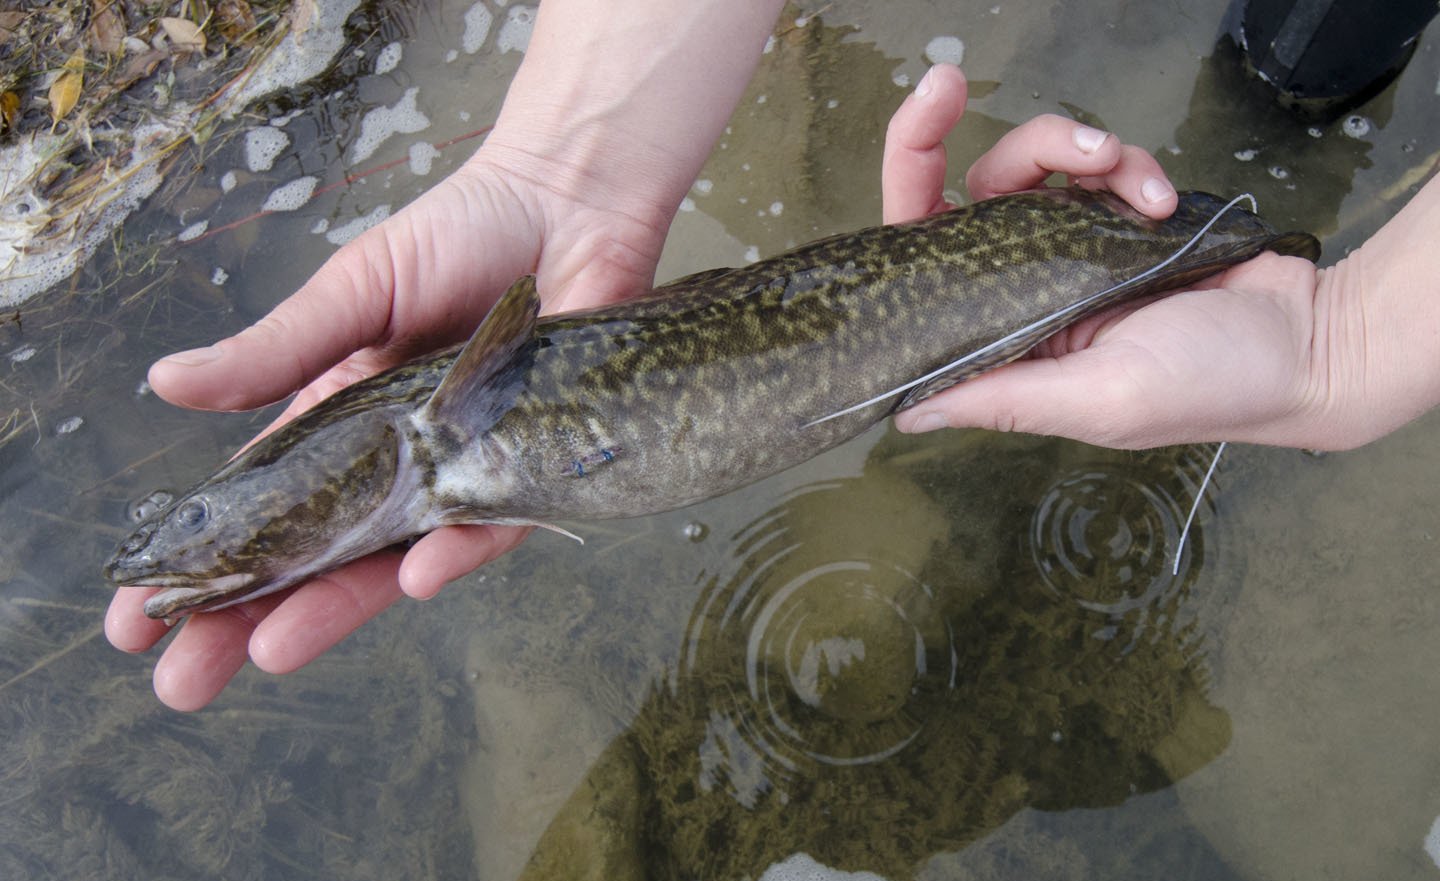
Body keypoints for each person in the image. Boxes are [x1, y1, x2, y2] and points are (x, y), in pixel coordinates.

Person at [105, 0, 1439, 710]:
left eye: (219, 517)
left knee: (1299, 92)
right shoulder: (436, 448)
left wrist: (1361, 339)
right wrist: (1331, 334)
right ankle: (1292, 129)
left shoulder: (446, 429)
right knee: (1298, 73)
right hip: (1094, 262)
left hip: (1064, 267)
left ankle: (1294, 147)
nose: (200, 540)